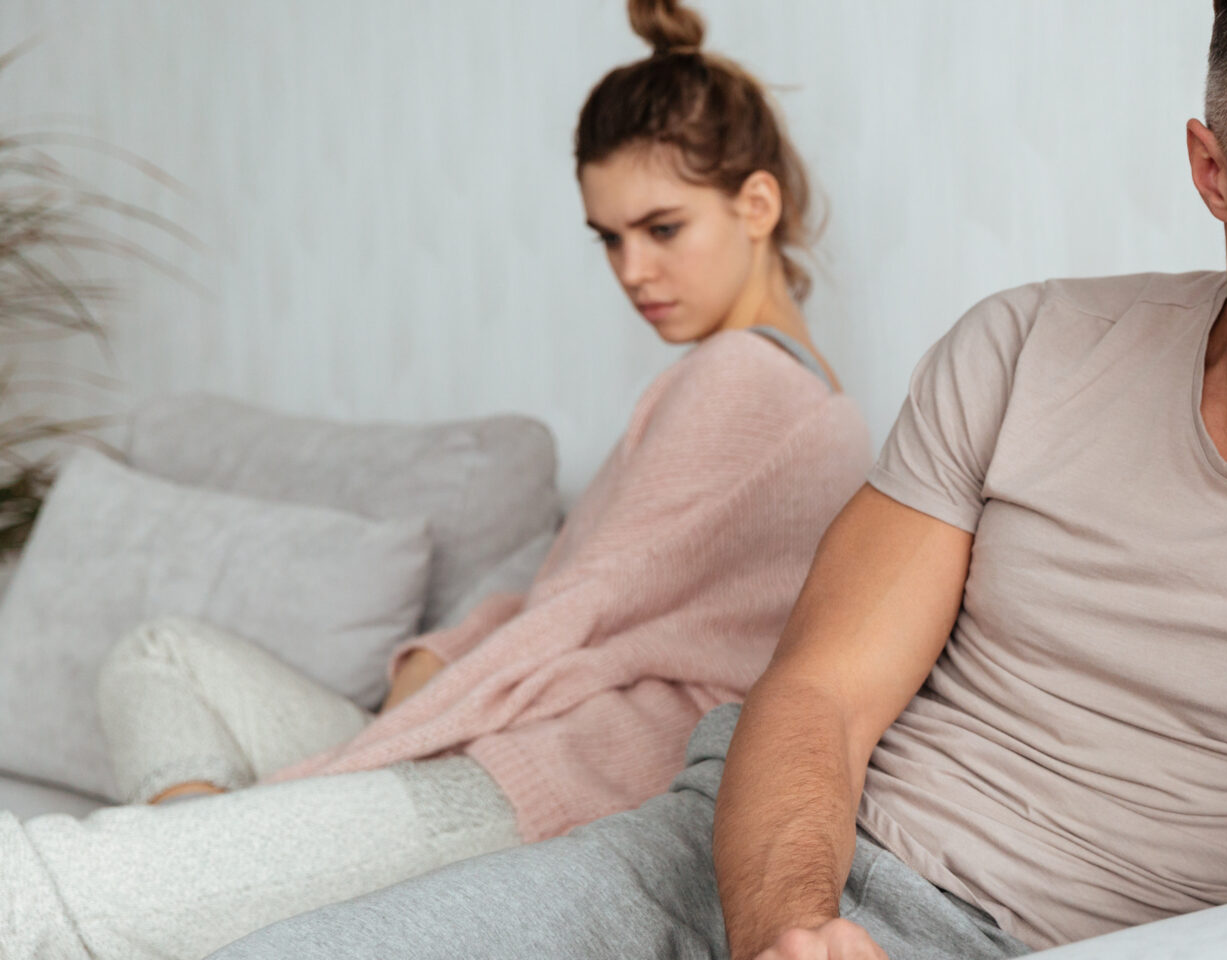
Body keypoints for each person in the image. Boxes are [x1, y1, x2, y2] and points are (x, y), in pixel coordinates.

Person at [214, 2, 1227, 958]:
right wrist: (787, 923)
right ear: (1214, 170)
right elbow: (818, 696)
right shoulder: (1028, 349)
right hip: (751, 850)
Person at [0, 1, 868, 956]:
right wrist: (449, 652)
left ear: (757, 204)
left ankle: (209, 877)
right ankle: (222, 885)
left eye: (662, 228)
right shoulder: (808, 397)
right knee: (161, 654)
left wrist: (416, 705)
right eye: (609, 238)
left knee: (54, 887)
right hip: (513, 735)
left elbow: (582, 616)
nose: (633, 269)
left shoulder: (739, 380)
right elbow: (599, 598)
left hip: (542, 775)